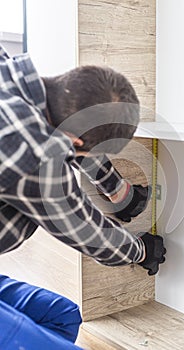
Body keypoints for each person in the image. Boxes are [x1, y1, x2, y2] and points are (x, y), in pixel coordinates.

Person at [0, 45, 166, 348]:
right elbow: (89, 234)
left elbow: (67, 136)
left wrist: (120, 192)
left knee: (63, 316)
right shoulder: (33, 154)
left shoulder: (10, 72)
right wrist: (141, 250)